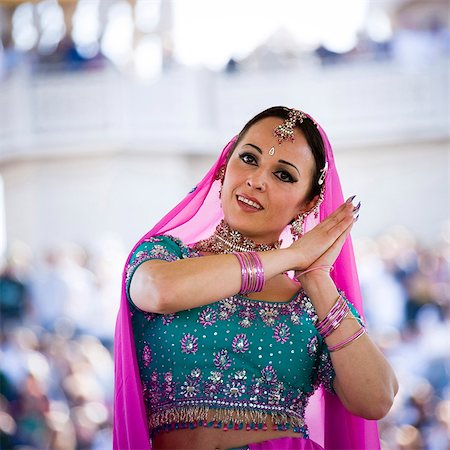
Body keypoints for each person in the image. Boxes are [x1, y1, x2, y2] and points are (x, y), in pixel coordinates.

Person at [114, 107, 398, 450]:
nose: (257, 180)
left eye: (284, 175)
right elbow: (157, 291)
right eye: (248, 158)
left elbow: (377, 399)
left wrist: (318, 279)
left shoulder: (313, 302)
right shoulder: (165, 257)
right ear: (224, 165)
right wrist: (291, 256)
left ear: (307, 204)